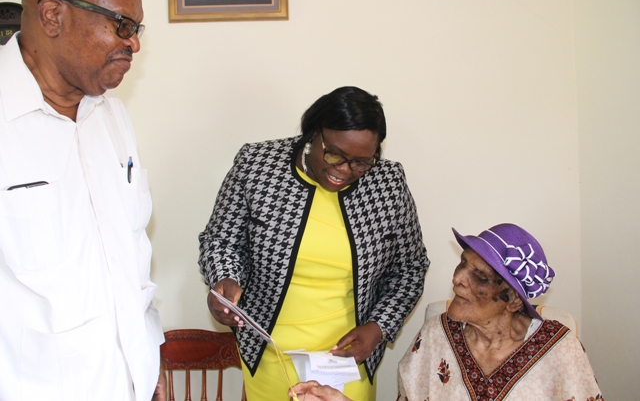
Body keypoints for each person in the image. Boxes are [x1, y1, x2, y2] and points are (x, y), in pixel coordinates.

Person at [199, 86, 429, 400]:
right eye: (334, 154)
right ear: (313, 134)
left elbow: (410, 269)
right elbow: (220, 240)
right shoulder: (257, 165)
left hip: (347, 361)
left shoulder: (386, 183)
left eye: (361, 163)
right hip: (270, 355)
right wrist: (224, 280)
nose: (344, 171)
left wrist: (378, 328)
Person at [0, 0, 165, 400]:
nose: (134, 44)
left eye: (137, 29)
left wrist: (148, 358)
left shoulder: (111, 116)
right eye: (122, 24)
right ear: (53, 15)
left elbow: (129, 258)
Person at [289, 223, 604, 401]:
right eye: (462, 263)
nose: (457, 279)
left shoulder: (560, 349)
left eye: (478, 275)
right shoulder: (436, 334)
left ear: (512, 301)